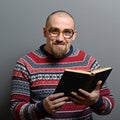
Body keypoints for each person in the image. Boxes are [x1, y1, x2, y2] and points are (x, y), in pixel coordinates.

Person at [10, 10, 114, 120]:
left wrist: (96, 101)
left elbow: (109, 106)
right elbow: (16, 111)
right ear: (45, 32)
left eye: (67, 32)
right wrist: (42, 108)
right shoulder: (25, 64)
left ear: (74, 35)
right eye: (54, 31)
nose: (60, 38)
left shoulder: (88, 62)